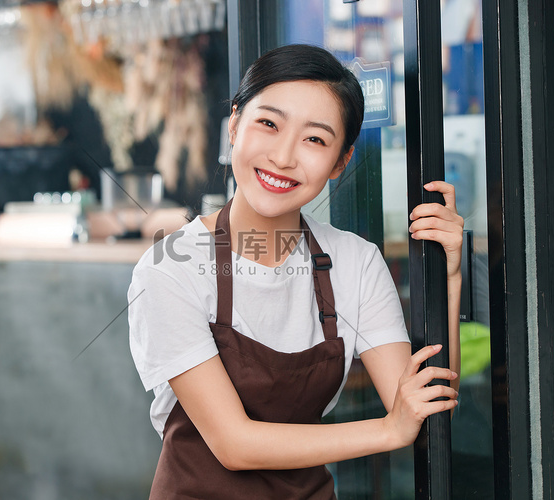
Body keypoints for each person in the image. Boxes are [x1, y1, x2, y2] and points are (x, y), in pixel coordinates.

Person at [128, 44, 463, 499]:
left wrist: (451, 276)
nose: (284, 157)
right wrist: (388, 431)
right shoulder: (171, 268)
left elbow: (423, 412)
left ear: (340, 162)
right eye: (268, 123)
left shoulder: (356, 263)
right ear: (234, 125)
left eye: (315, 139)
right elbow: (234, 444)